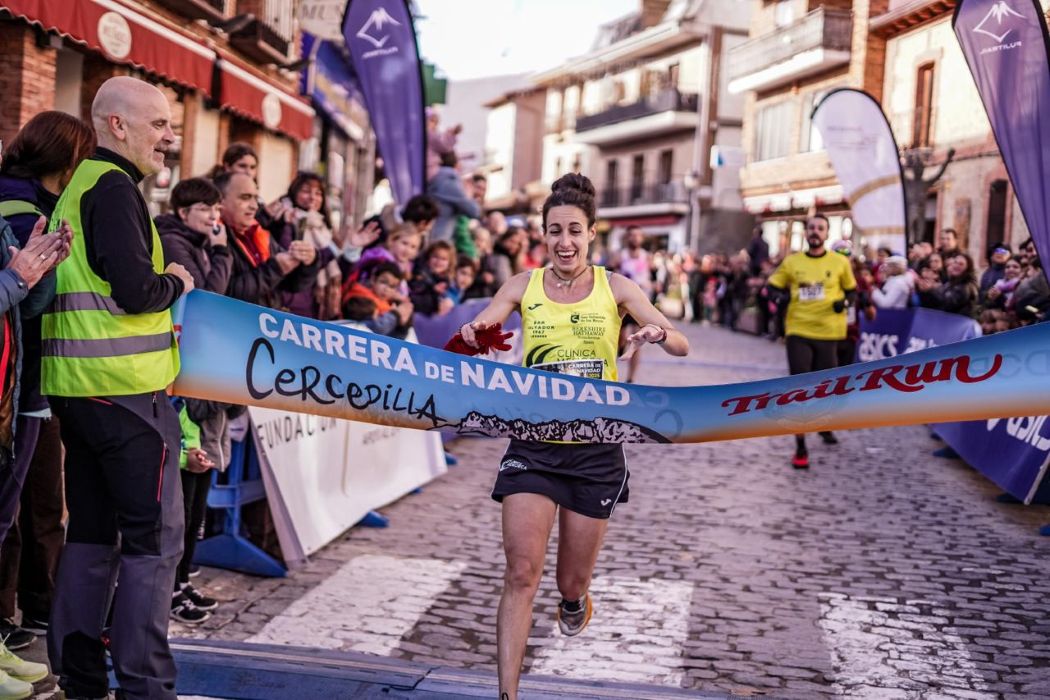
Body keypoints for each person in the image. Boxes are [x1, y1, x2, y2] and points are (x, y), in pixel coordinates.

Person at [451, 173, 688, 700]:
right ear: (543, 233)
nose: (564, 241)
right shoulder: (522, 285)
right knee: (520, 572)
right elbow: (481, 330)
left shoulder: (616, 288)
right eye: (554, 230)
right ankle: (507, 695)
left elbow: (681, 345)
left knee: (568, 584)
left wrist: (655, 331)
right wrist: (474, 337)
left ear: (590, 234)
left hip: (595, 451)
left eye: (574, 231)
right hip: (533, 444)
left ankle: (576, 601)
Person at [43, 76, 196, 700]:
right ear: (116, 125)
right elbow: (135, 291)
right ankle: (146, 687)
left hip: (79, 394)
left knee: (90, 536)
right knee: (152, 544)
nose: (169, 136)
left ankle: (80, 680)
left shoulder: (78, 185)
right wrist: (177, 281)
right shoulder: (111, 188)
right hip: (128, 395)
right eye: (158, 124)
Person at [0, 111, 94, 657]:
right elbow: (20, 302)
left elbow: (31, 302)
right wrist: (22, 275)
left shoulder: (37, 209)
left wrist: (40, 271)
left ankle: (27, 614)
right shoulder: (19, 206)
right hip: (22, 378)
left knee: (29, 505)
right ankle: (18, 614)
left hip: (28, 376)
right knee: (20, 509)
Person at [156, 177, 231, 624]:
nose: (214, 217)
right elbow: (209, 298)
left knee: (199, 493)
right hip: (182, 380)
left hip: (206, 380)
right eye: (206, 209)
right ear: (184, 211)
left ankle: (182, 582)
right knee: (184, 494)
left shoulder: (198, 242)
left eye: (215, 208)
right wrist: (221, 252)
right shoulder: (174, 241)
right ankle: (169, 588)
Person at [766, 214, 856, 469]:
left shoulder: (840, 262)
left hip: (830, 332)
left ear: (827, 234)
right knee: (799, 386)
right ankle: (800, 446)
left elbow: (852, 291)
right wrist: (779, 299)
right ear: (806, 233)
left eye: (820, 228)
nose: (815, 232)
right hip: (799, 330)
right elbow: (772, 287)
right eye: (812, 228)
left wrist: (845, 302)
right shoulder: (792, 262)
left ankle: (824, 425)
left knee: (825, 388)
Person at [216, 172, 319, 310]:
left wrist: (309, 262)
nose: (254, 206)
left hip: (262, 325)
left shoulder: (259, 232)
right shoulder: (212, 238)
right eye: (245, 198)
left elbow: (292, 285)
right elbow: (224, 293)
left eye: (256, 198)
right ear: (220, 202)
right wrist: (275, 269)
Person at [614, 226, 652, 383]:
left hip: (640, 302)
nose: (635, 238)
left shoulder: (646, 257)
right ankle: (613, 365)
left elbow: (652, 276)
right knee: (619, 338)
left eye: (638, 235)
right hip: (622, 302)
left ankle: (631, 378)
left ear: (642, 238)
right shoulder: (619, 256)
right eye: (632, 235)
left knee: (638, 340)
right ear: (627, 238)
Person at [340, 261, 413, 338]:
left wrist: (403, 326)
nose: (386, 289)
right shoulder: (359, 298)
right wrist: (396, 315)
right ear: (373, 279)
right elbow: (375, 330)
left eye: (392, 286)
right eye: (383, 282)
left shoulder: (390, 306)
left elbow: (395, 339)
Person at [409, 240, 455, 316]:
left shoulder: (445, 280)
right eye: (435, 257)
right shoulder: (420, 272)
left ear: (449, 264)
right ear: (428, 258)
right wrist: (432, 288)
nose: (438, 261)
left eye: (443, 259)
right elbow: (415, 291)